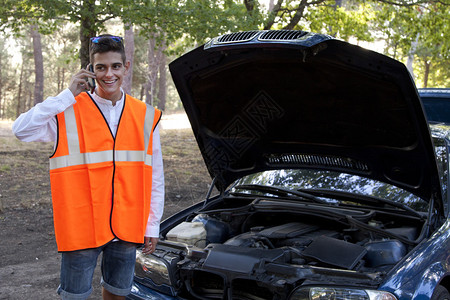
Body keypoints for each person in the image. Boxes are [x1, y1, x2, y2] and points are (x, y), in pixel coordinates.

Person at [12, 34, 165, 300]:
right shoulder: (67, 110)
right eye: (101, 67)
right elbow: (21, 130)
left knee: (118, 293)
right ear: (90, 70)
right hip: (81, 225)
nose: (109, 74)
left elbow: (155, 176)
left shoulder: (145, 115)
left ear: (125, 67)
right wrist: (67, 94)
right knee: (75, 296)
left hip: (127, 224)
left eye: (115, 66)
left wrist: (152, 224)